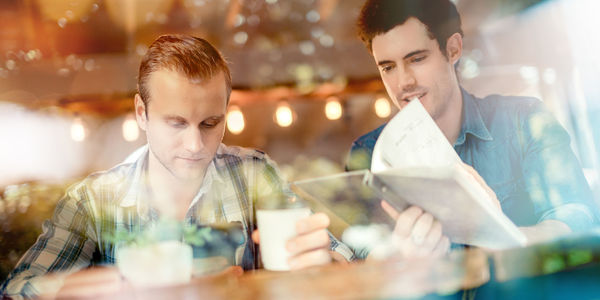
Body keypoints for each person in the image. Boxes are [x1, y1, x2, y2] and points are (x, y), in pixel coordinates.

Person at [1, 34, 354, 299]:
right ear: (142, 113)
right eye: (176, 123)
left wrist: (325, 264)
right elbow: (17, 290)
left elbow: (343, 259)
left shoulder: (253, 173)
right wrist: (103, 288)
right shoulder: (92, 201)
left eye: (210, 123)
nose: (195, 145)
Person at [347, 0, 599, 257]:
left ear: (453, 49)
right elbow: (359, 252)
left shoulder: (524, 120)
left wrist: (500, 234)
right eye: (388, 67)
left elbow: (576, 215)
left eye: (417, 59)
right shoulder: (366, 153)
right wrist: (395, 263)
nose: (403, 82)